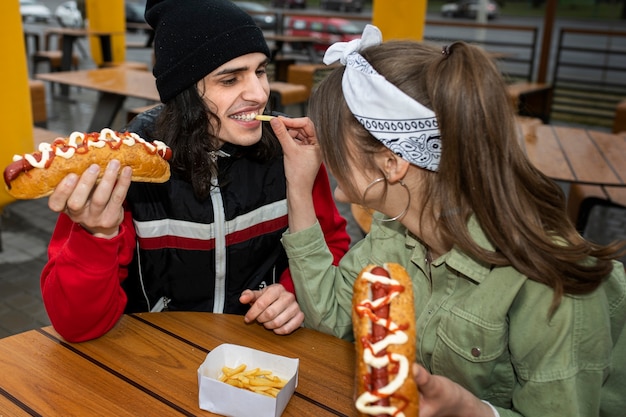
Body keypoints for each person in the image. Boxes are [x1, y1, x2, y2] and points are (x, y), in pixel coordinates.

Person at [271, 25, 626, 417]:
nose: (327, 149)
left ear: (392, 163)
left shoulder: (551, 281)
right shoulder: (393, 230)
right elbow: (331, 318)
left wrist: (472, 411)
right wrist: (299, 187)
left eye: (335, 140)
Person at [40, 0, 350, 343]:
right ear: (184, 92)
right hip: (156, 361)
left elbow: (333, 243)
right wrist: (95, 235)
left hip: (259, 354)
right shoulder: (126, 166)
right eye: (230, 79)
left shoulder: (289, 151)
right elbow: (77, 326)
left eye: (261, 71)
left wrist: (294, 292)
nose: (260, 93)